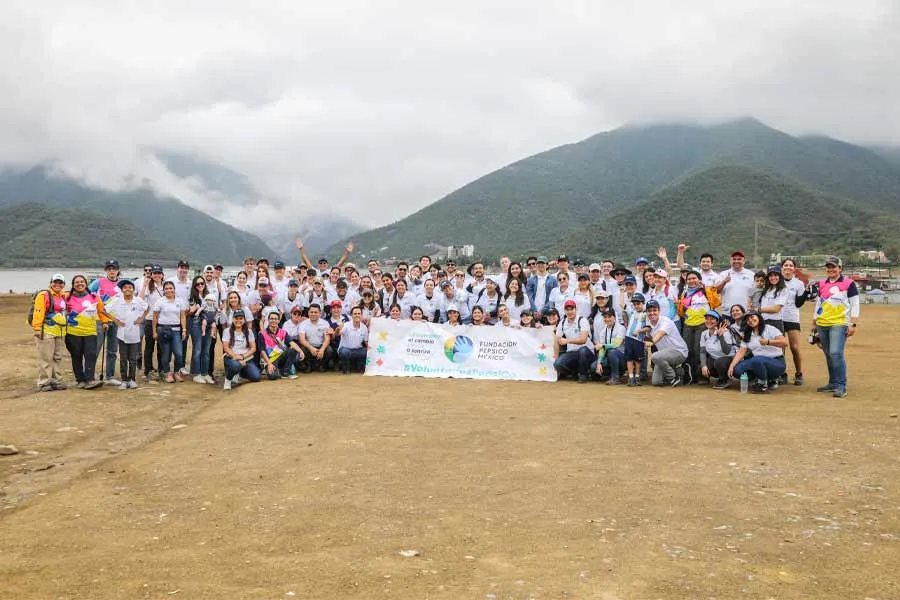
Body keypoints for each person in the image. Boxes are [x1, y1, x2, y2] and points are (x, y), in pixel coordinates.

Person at [811, 255, 860, 398]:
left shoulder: (848, 283)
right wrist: (814, 321)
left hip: (839, 323)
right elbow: (819, 303)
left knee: (835, 353)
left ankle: (841, 386)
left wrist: (853, 323)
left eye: (834, 267)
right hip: (822, 323)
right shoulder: (821, 284)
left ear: (840, 268)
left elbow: (855, 304)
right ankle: (832, 382)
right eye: (829, 267)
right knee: (828, 354)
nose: (831, 269)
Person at [677, 270, 721, 385]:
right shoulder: (684, 293)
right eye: (689, 279)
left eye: (694, 278)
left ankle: (702, 375)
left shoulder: (706, 291)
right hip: (688, 325)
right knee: (688, 350)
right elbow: (682, 311)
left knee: (699, 350)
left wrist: (711, 290)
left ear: (699, 279)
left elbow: (717, 302)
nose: (691, 281)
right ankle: (690, 375)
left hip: (702, 324)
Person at [728, 311, 788, 394]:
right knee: (737, 370)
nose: (750, 320)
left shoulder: (770, 329)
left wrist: (768, 342)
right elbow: (741, 352)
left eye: (752, 317)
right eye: (747, 319)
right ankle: (760, 377)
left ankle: (763, 384)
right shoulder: (747, 334)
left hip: (777, 363)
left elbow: (784, 343)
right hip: (757, 362)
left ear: (758, 317)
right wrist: (732, 365)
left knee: (757, 360)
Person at [65, 274, 108, 390]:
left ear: (86, 283)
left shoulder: (94, 296)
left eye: (82, 282)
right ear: (73, 285)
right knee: (76, 356)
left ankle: (89, 379)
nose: (79, 284)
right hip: (73, 332)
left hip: (90, 331)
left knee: (91, 355)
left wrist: (104, 322)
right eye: (76, 282)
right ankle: (80, 380)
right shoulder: (67, 297)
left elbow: (101, 311)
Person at [105, 279, 149, 390]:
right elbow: (105, 310)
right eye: (125, 288)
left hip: (134, 333)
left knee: (133, 358)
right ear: (122, 290)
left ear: (133, 289)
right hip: (122, 334)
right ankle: (124, 380)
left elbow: (147, 308)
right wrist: (115, 321)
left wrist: (141, 319)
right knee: (123, 358)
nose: (127, 289)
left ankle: (132, 379)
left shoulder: (138, 300)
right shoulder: (117, 300)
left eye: (130, 287)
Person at [31, 273, 69, 392]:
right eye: (55, 282)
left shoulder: (62, 296)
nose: (57, 284)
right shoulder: (44, 295)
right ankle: (44, 382)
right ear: (51, 283)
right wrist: (37, 328)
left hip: (60, 331)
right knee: (46, 357)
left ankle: (56, 380)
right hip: (46, 331)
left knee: (57, 357)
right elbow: (38, 312)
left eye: (60, 283)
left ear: (63, 284)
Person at [89, 259, 123, 386]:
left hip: (116, 321)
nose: (112, 271)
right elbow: (88, 296)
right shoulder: (98, 283)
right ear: (106, 270)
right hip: (100, 321)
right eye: (109, 268)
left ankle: (110, 376)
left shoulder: (121, 284)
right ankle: (89, 375)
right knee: (95, 348)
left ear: (118, 270)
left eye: (114, 268)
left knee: (112, 350)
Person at [646, 300, 689, 387]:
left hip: (679, 352)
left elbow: (660, 333)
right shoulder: (648, 324)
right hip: (664, 355)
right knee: (656, 382)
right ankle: (676, 370)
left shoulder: (666, 321)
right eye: (649, 311)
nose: (652, 313)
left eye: (654, 310)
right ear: (646, 312)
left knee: (655, 356)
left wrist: (651, 342)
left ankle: (674, 376)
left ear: (659, 311)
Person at [780, 258, 809, 385]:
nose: (788, 267)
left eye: (791, 265)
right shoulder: (776, 281)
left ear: (794, 268)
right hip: (778, 317)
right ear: (782, 268)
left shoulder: (799, 284)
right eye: (785, 265)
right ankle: (781, 373)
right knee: (779, 348)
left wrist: (806, 292)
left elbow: (799, 303)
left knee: (795, 347)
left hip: (792, 318)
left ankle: (799, 373)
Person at [152, 281, 188, 383]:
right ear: (163, 290)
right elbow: (155, 317)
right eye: (166, 288)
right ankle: (167, 373)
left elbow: (183, 316)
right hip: (163, 329)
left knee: (179, 353)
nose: (169, 290)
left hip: (176, 330)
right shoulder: (160, 301)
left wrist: (184, 330)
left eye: (170, 288)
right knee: (166, 353)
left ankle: (176, 371)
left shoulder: (180, 301)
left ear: (174, 289)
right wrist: (154, 331)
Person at [553, 299, 594, 383]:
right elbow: (556, 341)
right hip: (572, 353)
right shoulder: (562, 322)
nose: (570, 312)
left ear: (576, 309)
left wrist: (567, 341)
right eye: (567, 310)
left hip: (587, 352)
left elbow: (583, 340)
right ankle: (575, 371)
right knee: (557, 364)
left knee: (582, 350)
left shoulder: (582, 320)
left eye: (572, 309)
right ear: (564, 311)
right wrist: (556, 359)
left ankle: (583, 375)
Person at [258, 310, 305, 379]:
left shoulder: (283, 332)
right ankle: (275, 370)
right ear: (268, 320)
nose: (273, 320)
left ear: (279, 321)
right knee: (273, 376)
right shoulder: (262, 333)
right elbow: (262, 351)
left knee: (293, 350)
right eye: (271, 319)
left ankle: (285, 372)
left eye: (275, 319)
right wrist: (269, 364)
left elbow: (291, 343)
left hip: (281, 356)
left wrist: (300, 351)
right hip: (270, 359)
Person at [221, 309, 261, 390]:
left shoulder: (249, 331)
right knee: (236, 365)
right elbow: (226, 347)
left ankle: (239, 372)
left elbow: (253, 348)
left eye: (241, 318)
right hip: (231, 357)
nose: (238, 320)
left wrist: (242, 356)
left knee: (256, 377)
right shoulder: (227, 331)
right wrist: (236, 357)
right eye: (236, 318)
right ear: (232, 319)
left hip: (246, 358)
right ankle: (228, 380)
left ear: (244, 320)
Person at [699, 311, 738, 389]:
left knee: (719, 362)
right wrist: (703, 366)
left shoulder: (726, 332)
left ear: (717, 321)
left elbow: (726, 351)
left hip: (729, 358)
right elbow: (702, 352)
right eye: (707, 319)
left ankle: (724, 380)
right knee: (701, 366)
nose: (709, 321)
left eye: (712, 319)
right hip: (715, 358)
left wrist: (721, 337)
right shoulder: (704, 333)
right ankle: (706, 377)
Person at [140, 264, 165, 380]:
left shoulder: (165, 286)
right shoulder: (148, 287)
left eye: (159, 273)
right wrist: (145, 284)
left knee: (161, 347)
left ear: (162, 274)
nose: (157, 275)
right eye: (155, 273)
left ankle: (161, 369)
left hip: (163, 320)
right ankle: (148, 369)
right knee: (149, 346)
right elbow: (140, 299)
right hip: (149, 320)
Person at [591, 309, 625, 384]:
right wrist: (599, 363)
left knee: (612, 352)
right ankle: (608, 375)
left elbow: (617, 344)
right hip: (609, 357)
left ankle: (616, 377)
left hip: (622, 358)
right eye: (605, 317)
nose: (607, 319)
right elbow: (602, 349)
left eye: (609, 316)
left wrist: (602, 345)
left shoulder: (620, 328)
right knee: (594, 366)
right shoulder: (603, 331)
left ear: (614, 317)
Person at [622, 293, 649, 386]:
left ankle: (637, 376)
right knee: (629, 359)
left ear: (643, 303)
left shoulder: (646, 314)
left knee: (638, 360)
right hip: (629, 338)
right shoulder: (632, 312)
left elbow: (648, 327)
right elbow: (622, 303)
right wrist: (622, 290)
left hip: (639, 340)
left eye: (638, 303)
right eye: (634, 304)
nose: (636, 306)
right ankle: (630, 377)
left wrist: (639, 330)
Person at [298, 303, 335, 371]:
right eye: (311, 312)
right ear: (308, 313)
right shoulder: (303, 324)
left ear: (319, 313)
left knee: (329, 350)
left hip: (320, 345)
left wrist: (322, 349)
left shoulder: (325, 323)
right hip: (309, 346)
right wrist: (311, 348)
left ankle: (322, 364)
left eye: (316, 312)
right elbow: (302, 340)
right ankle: (308, 365)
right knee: (302, 349)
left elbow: (327, 339)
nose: (313, 314)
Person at [336, 306, 369, 374]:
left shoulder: (364, 327)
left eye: (358, 314)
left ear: (361, 315)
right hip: (346, 350)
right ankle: (346, 366)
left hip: (358, 350)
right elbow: (338, 333)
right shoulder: (346, 325)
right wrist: (338, 329)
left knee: (367, 351)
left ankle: (360, 365)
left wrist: (371, 350)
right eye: (355, 313)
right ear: (351, 315)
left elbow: (366, 342)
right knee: (344, 352)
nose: (357, 315)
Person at [526, 256, 558, 322]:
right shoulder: (530, 280)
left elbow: (553, 298)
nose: (540, 265)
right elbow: (529, 297)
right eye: (538, 263)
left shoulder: (553, 280)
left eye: (542, 263)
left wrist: (542, 311)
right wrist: (534, 310)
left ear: (547, 265)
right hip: (533, 313)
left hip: (547, 313)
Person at [760, 265, 787, 333]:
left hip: (775, 323)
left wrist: (758, 310)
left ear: (780, 276)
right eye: (770, 276)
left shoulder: (783, 290)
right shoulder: (766, 289)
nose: (773, 278)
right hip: (763, 322)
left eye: (775, 275)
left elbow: (776, 309)